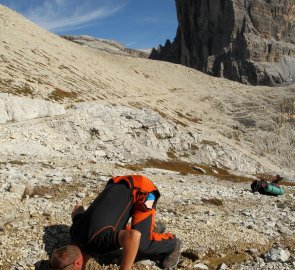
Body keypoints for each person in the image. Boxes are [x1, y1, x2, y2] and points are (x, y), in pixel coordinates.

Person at [49, 175, 182, 270]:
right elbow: (77, 210)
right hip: (117, 184)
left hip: (142, 191)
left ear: (78, 263)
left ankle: (172, 244)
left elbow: (133, 236)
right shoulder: (75, 232)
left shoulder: (98, 242)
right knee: (120, 231)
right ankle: (150, 228)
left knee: (141, 244)